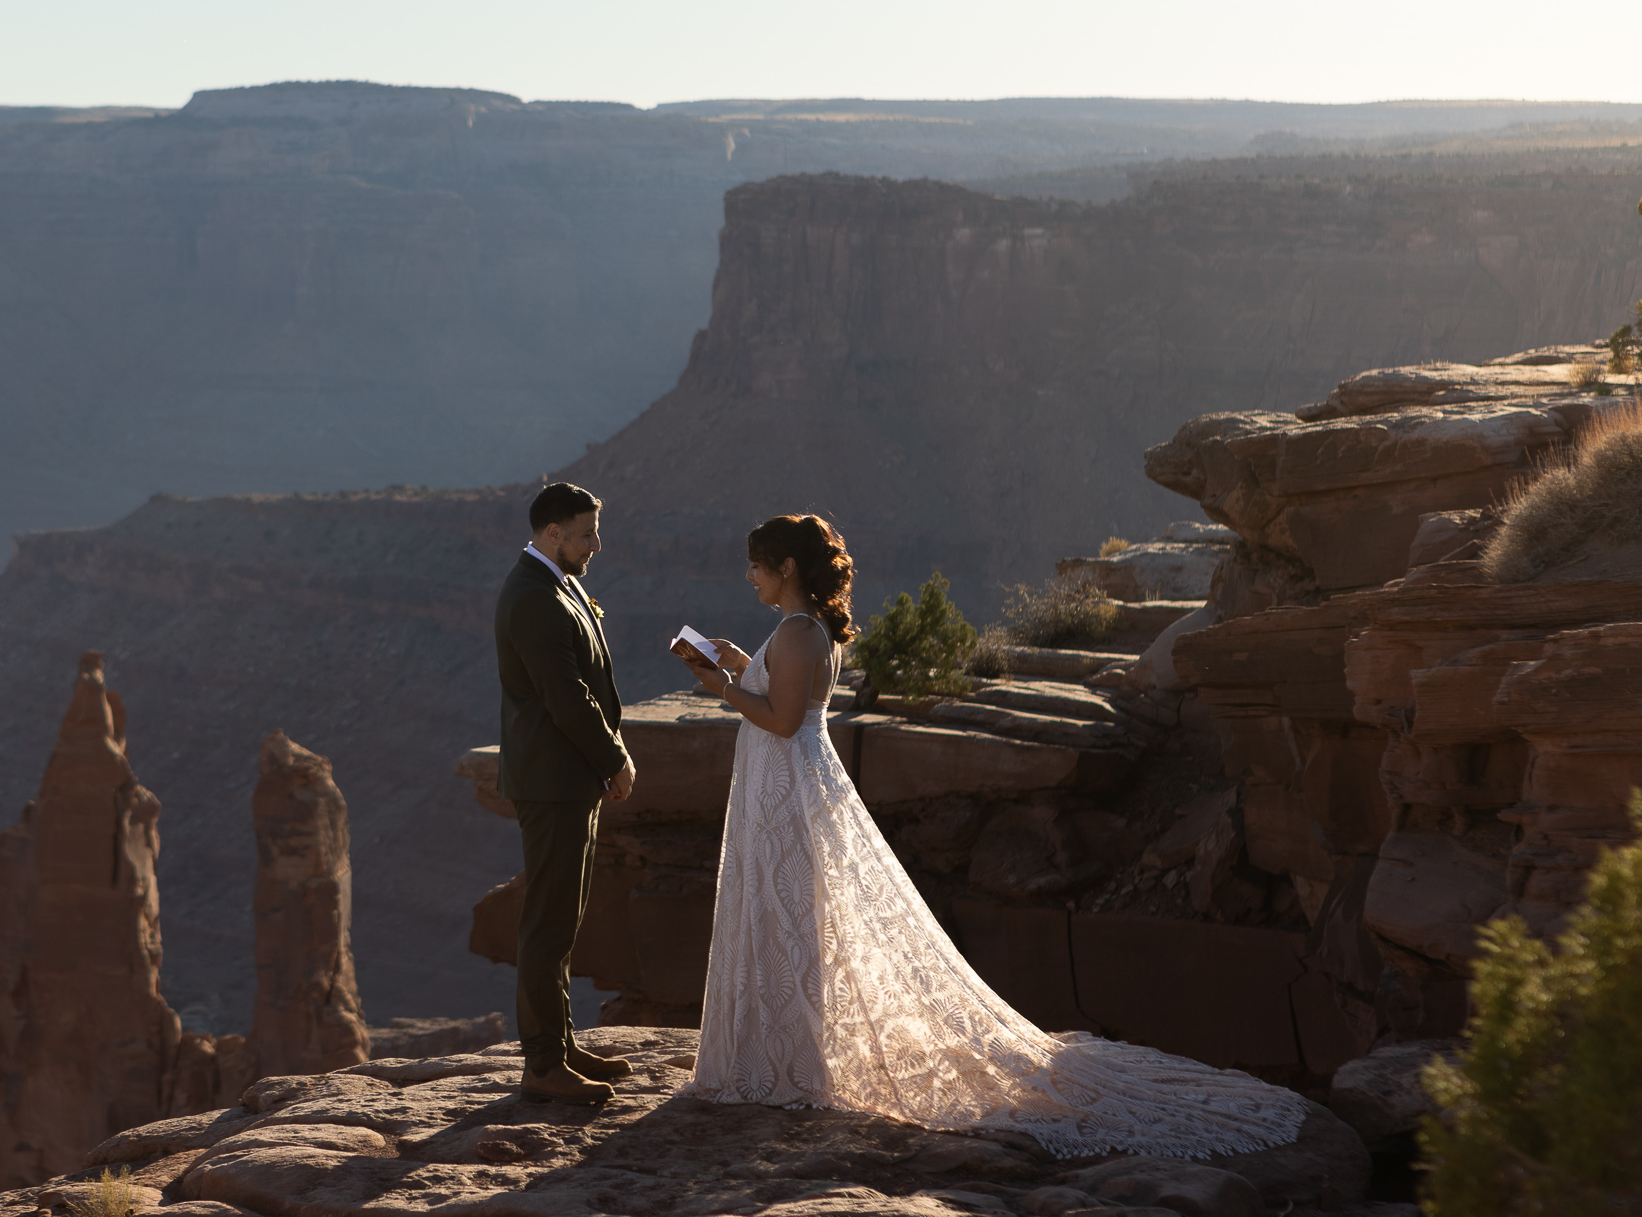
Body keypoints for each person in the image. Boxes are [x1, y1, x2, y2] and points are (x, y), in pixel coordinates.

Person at [671, 514, 1304, 1157]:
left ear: (787, 569)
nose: (749, 576)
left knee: (791, 918)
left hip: (790, 791)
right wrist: (739, 663)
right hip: (789, 785)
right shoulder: (804, 630)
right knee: (792, 917)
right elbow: (785, 695)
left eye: (756, 565)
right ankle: (789, 1052)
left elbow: (781, 720)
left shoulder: (799, 631)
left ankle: (793, 1061)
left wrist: (725, 688)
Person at [494, 482, 637, 1105]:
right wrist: (615, 759)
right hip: (553, 782)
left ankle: (562, 1042)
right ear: (553, 534)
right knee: (546, 922)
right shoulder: (532, 596)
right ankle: (542, 1064)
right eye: (586, 535)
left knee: (564, 918)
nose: (595, 546)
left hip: (567, 779)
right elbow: (565, 696)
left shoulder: (558, 582)